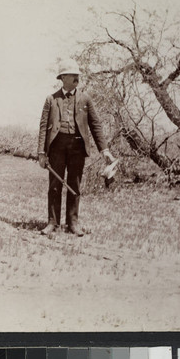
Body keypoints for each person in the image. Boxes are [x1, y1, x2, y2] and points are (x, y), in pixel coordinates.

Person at [37, 58, 115, 236]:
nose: (77, 79)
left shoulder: (85, 99)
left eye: (78, 75)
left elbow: (95, 125)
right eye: (73, 75)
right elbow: (43, 127)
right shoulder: (51, 99)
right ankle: (52, 223)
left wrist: (105, 150)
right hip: (56, 147)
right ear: (63, 77)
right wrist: (42, 153)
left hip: (78, 147)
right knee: (55, 185)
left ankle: (73, 223)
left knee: (75, 185)